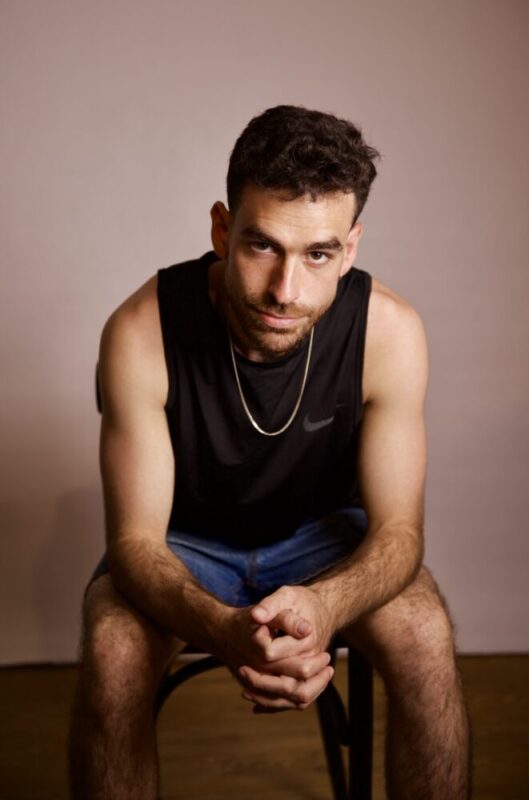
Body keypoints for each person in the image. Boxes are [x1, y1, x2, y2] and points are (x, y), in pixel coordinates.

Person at [68, 105, 471, 799]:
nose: (286, 292)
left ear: (349, 247)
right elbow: (134, 543)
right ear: (222, 230)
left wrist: (325, 604)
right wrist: (223, 629)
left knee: (424, 631)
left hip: (322, 542)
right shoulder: (141, 331)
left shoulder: (389, 333)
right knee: (112, 647)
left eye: (318, 254)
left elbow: (400, 532)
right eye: (262, 246)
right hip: (184, 546)